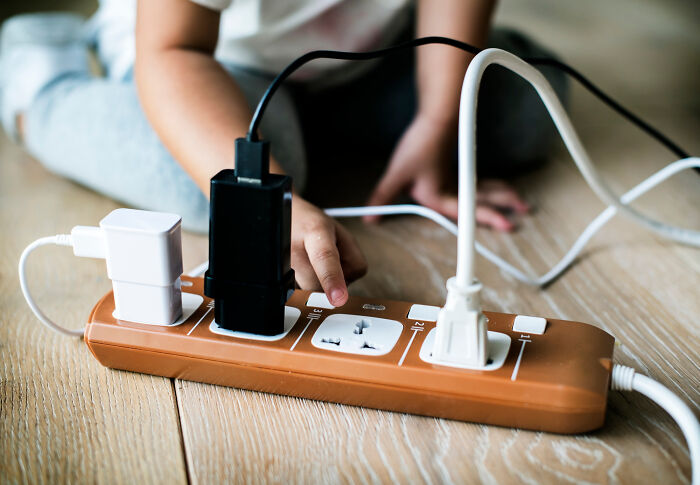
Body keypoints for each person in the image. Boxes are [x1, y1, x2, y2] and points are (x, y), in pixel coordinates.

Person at [0, 0, 566, 308]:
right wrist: (266, 194)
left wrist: (437, 122)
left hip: (360, 52)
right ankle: (41, 84)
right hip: (204, 55)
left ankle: (302, 131)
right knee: (205, 196)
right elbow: (173, 50)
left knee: (526, 112)